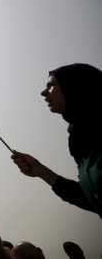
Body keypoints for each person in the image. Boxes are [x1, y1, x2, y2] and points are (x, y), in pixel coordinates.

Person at [12, 63, 102, 218]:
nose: (43, 93)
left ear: (75, 87)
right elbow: (92, 200)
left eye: (51, 85)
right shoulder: (78, 142)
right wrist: (41, 171)